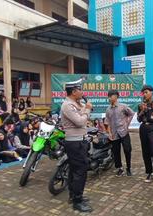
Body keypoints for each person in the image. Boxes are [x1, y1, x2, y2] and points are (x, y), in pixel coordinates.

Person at [60, 79, 93, 212]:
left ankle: (74, 195)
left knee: (75, 170)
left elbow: (83, 118)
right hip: (75, 142)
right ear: (74, 92)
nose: (82, 92)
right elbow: (80, 122)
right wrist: (87, 110)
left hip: (80, 141)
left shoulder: (75, 103)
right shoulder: (67, 105)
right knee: (80, 171)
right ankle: (77, 201)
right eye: (80, 90)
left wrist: (84, 108)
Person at [104, 90, 134, 177]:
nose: (110, 98)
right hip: (114, 134)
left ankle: (128, 168)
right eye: (109, 96)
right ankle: (120, 168)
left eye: (111, 96)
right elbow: (107, 122)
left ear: (117, 96)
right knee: (116, 152)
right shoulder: (108, 109)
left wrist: (127, 124)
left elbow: (131, 113)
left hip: (124, 132)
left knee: (127, 150)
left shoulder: (123, 106)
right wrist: (109, 133)